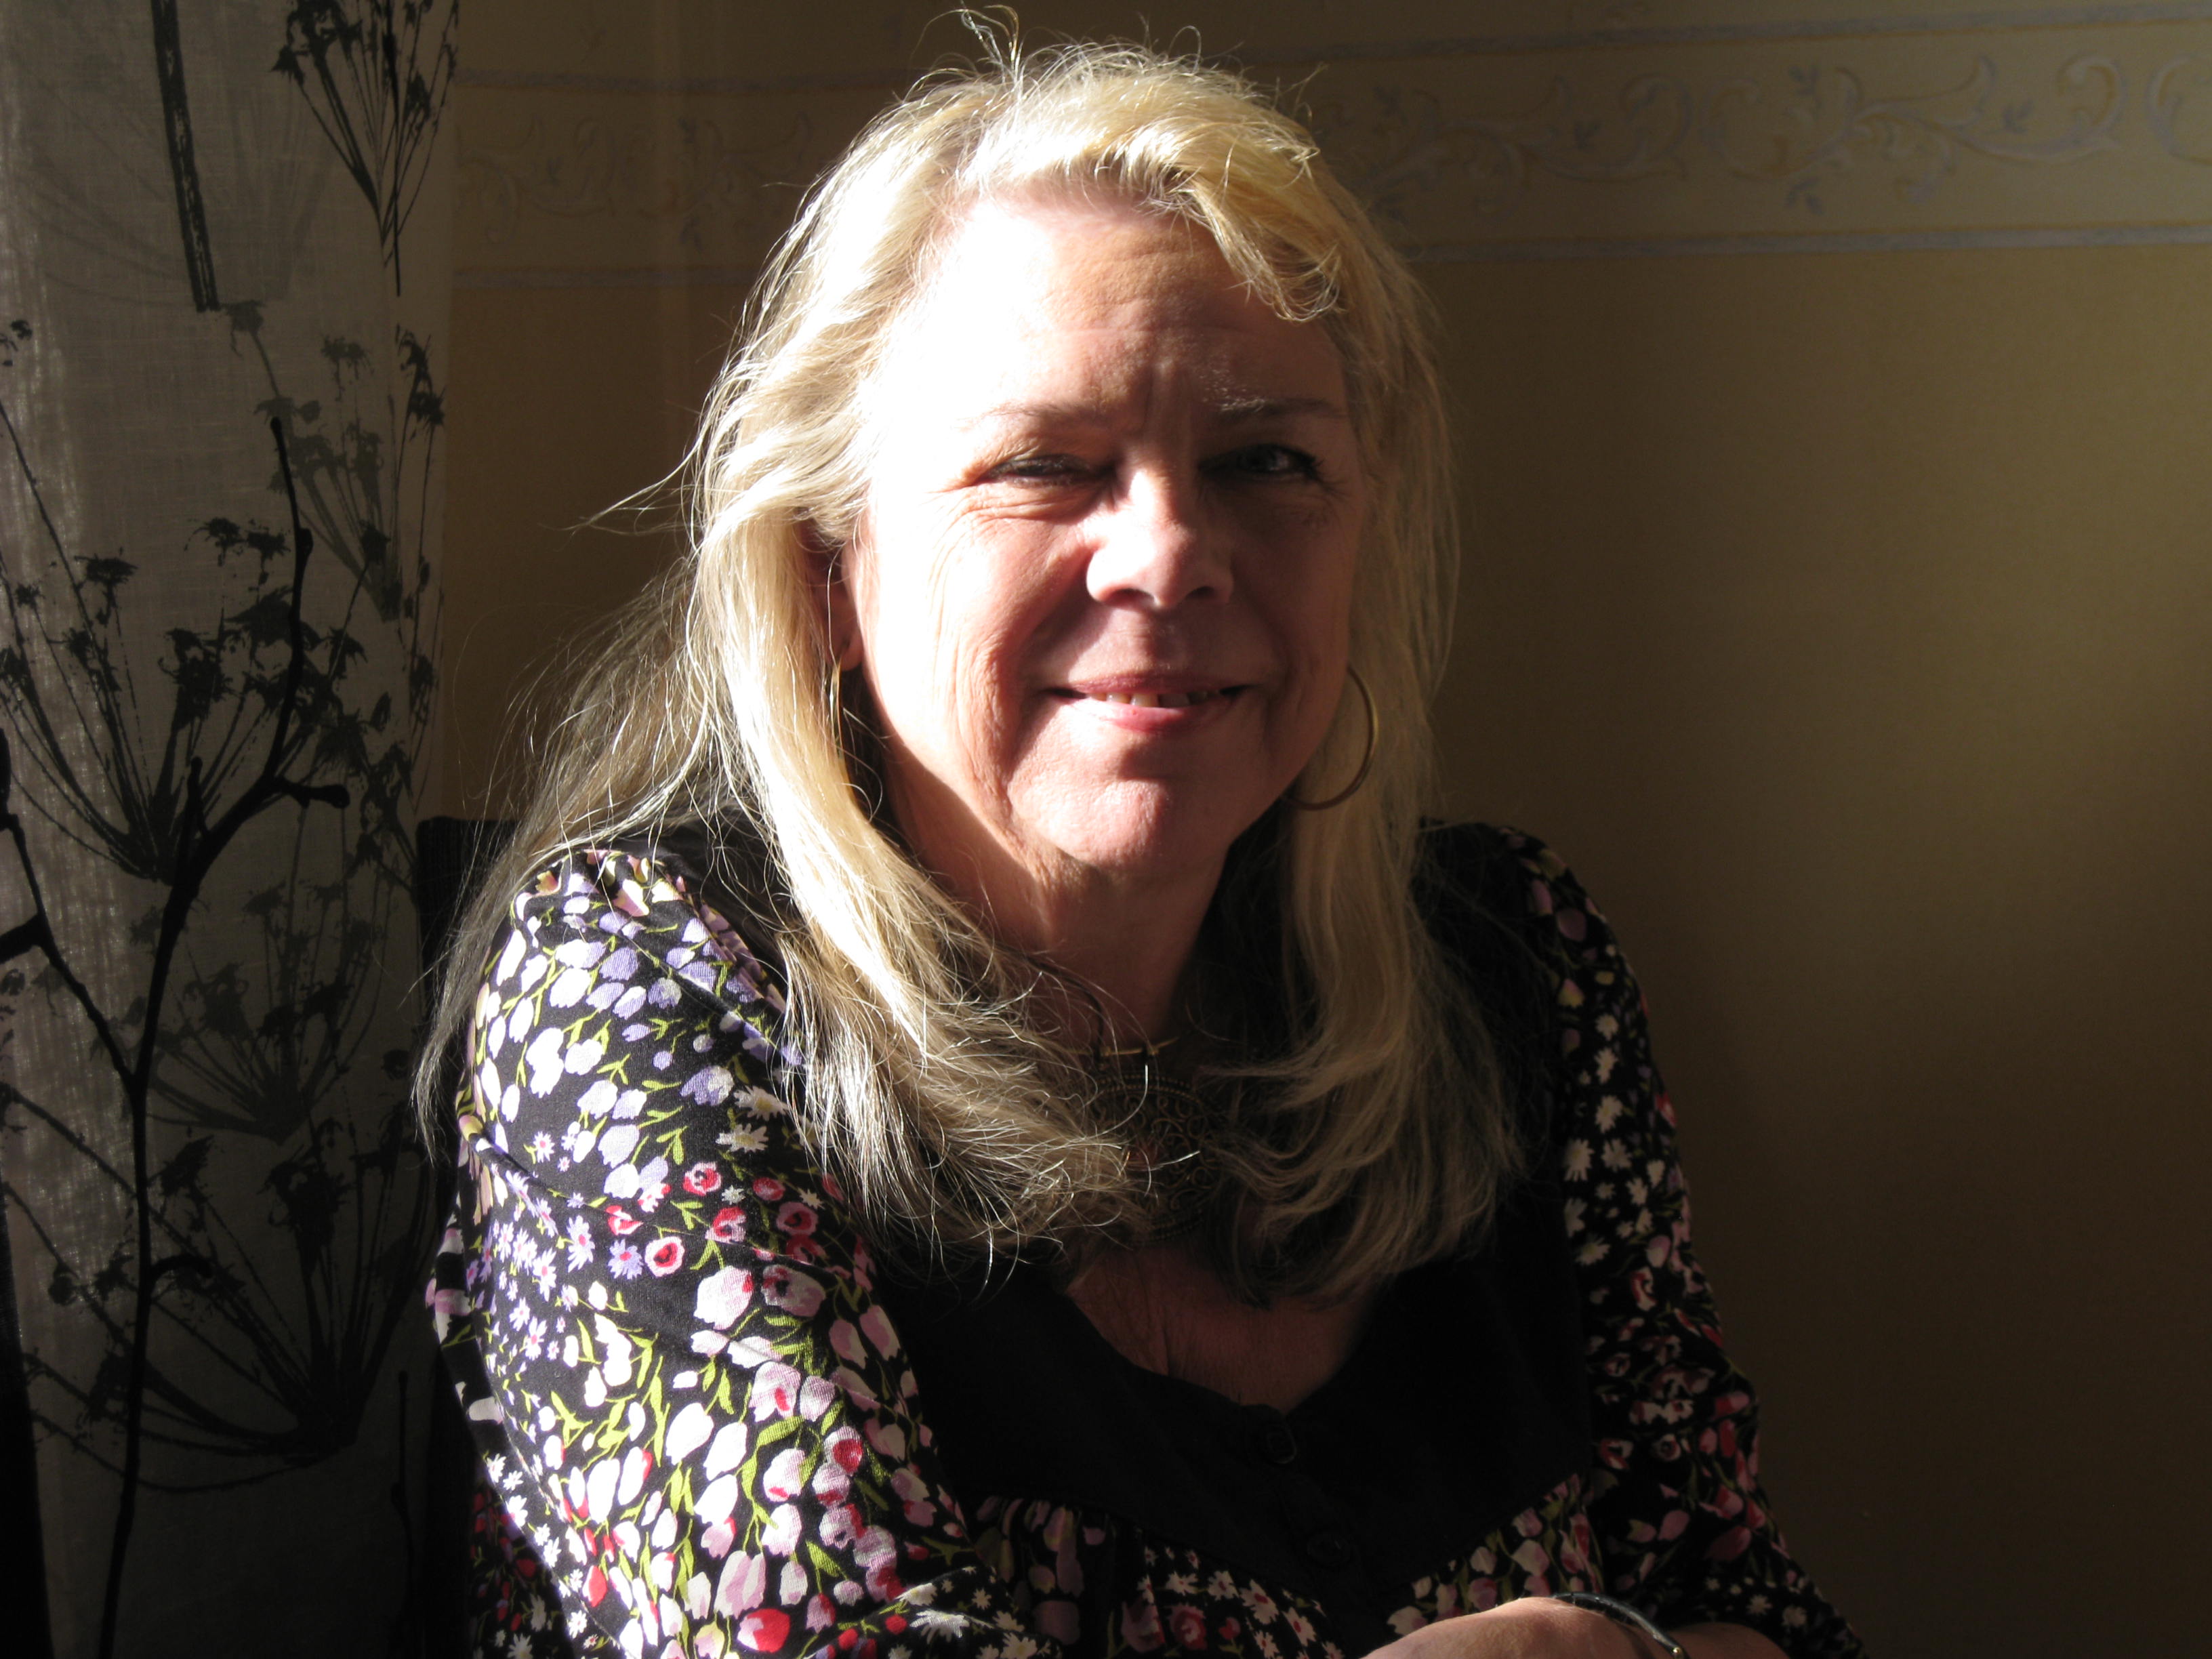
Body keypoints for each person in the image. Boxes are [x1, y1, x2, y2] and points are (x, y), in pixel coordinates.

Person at [423, 38, 1866, 1659]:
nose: (1171, 554)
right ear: (829, 568)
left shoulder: (1518, 967)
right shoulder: (646, 984)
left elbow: (1750, 1609)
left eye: (1268, 462)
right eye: (1043, 464)